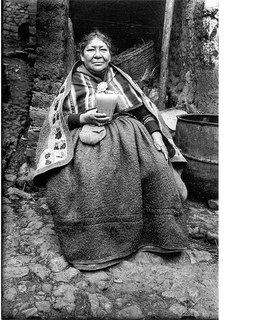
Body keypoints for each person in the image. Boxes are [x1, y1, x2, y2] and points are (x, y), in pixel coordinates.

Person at [32, 30, 189, 270]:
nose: (97, 55)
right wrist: (83, 117)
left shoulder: (120, 79)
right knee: (89, 176)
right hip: (85, 136)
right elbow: (58, 119)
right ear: (82, 56)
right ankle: (95, 246)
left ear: (110, 55)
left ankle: (153, 237)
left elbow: (142, 110)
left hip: (129, 136)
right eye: (91, 50)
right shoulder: (72, 82)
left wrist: (156, 134)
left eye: (102, 50)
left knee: (157, 167)